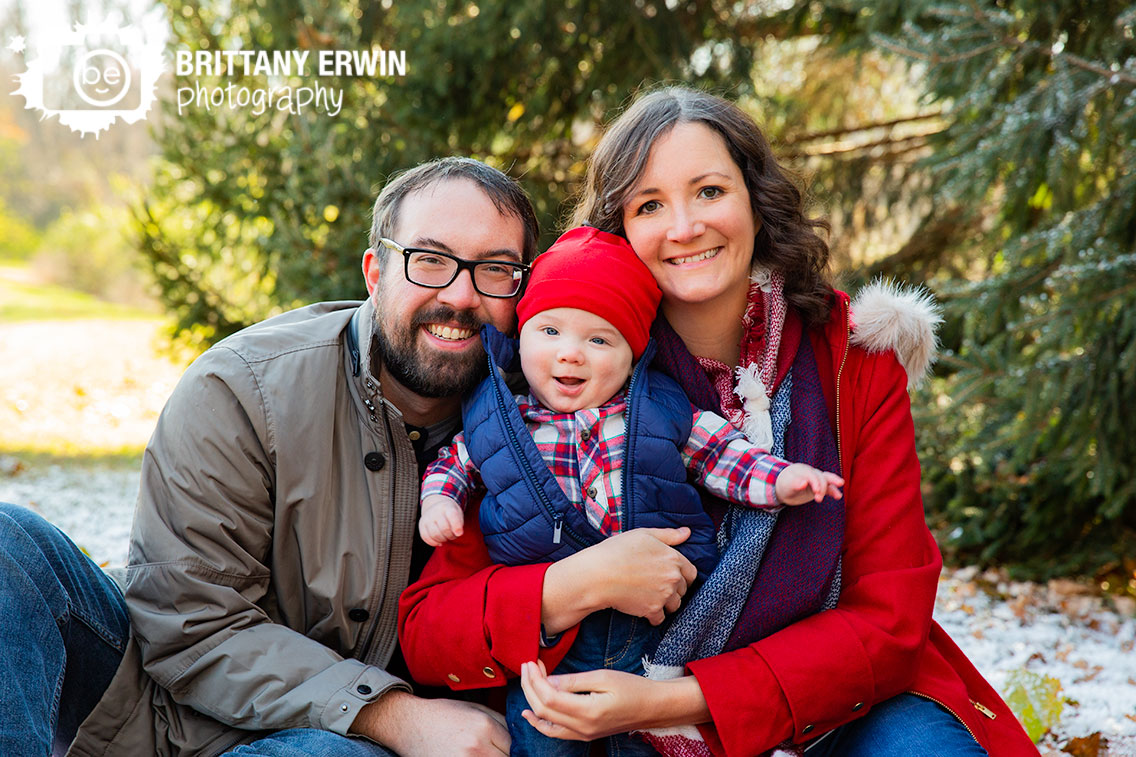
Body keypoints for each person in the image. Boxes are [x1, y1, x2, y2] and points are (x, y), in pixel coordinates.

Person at [398, 88, 1040, 756]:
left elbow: (889, 617)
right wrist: (576, 584)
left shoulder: (852, 360)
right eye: (650, 204)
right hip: (614, 712)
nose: (684, 226)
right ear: (619, 229)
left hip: (838, 704)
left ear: (756, 201)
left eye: (709, 191)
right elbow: (430, 627)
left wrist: (681, 699)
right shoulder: (568, 381)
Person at [0, 156, 539, 757]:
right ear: (375, 271)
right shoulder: (243, 388)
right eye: (430, 260)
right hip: (152, 718)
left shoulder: (554, 426)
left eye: (495, 269)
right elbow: (191, 624)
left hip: (328, 746)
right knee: (8, 543)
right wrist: (391, 714)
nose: (460, 295)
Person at [416, 226, 842, 755]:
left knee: (643, 744)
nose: (570, 354)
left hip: (652, 627)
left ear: (633, 354)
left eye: (598, 339)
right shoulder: (502, 420)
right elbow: (452, 464)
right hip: (550, 641)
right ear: (520, 336)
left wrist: (780, 479)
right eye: (550, 332)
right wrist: (438, 501)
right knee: (544, 736)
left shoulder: (657, 410)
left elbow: (721, 454)